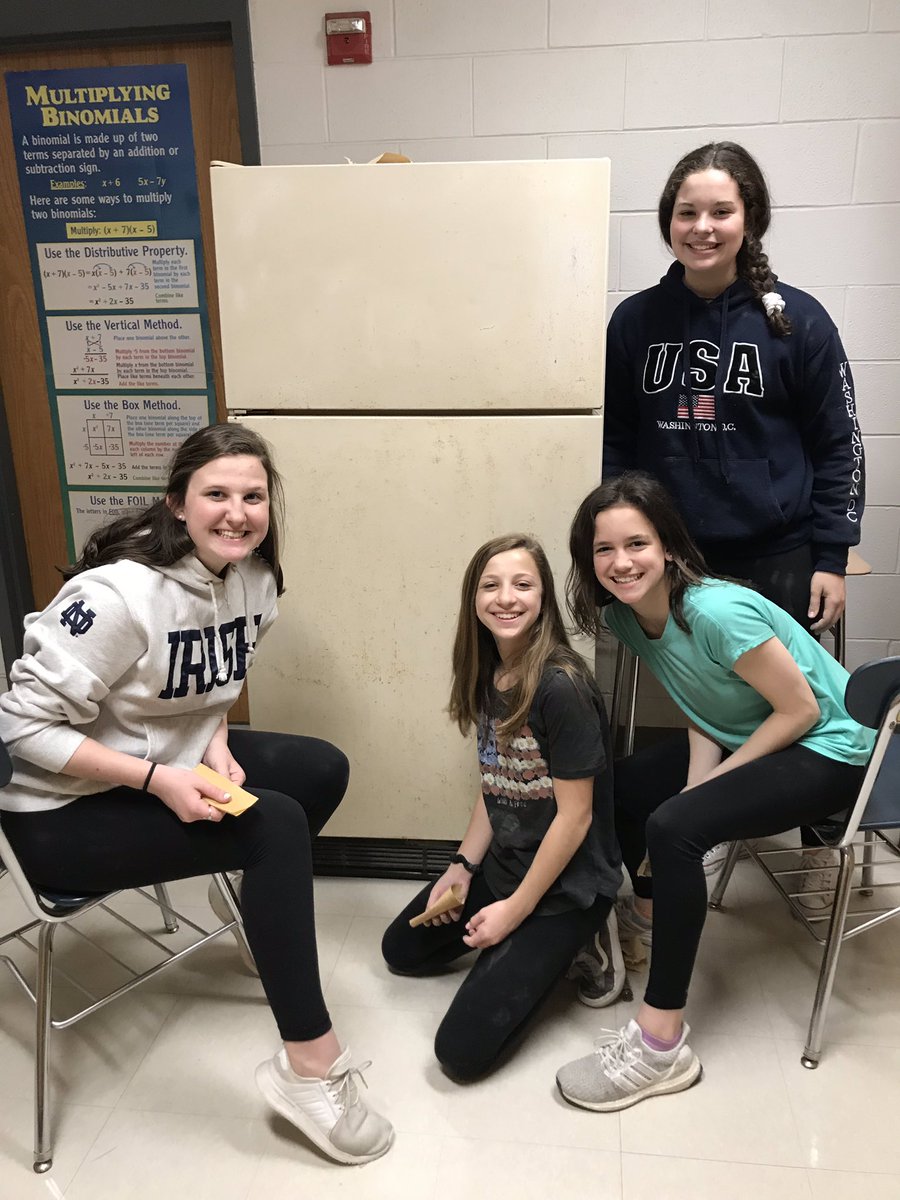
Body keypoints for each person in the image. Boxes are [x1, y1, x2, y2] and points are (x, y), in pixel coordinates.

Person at [0, 423, 393, 1165]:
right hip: (56, 812)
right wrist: (158, 779)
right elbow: (16, 728)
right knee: (274, 824)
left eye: (253, 496)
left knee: (321, 769)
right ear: (177, 503)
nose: (237, 512)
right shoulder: (117, 596)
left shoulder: (254, 580)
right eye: (216, 494)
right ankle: (309, 1068)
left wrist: (210, 743)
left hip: (161, 765)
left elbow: (214, 683)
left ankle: (248, 899)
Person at [554, 472, 874, 1112]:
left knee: (675, 828)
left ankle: (660, 1044)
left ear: (668, 544)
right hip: (761, 733)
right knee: (622, 786)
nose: (621, 562)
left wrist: (708, 792)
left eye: (637, 543)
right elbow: (702, 703)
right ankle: (645, 915)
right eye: (603, 549)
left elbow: (800, 711)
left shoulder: (715, 610)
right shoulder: (626, 612)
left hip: (835, 748)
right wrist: (699, 783)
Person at [602, 140, 865, 893]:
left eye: (722, 210)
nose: (703, 226)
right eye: (688, 212)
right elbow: (618, 441)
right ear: (669, 221)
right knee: (705, 694)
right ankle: (696, 830)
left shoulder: (797, 322)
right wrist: (619, 537)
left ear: (750, 219)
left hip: (777, 549)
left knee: (805, 696)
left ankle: (820, 845)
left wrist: (831, 555)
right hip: (675, 555)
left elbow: (839, 444)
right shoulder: (637, 322)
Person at [381, 534, 621, 1079]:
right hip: (505, 864)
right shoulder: (490, 671)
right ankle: (520, 931)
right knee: (400, 950)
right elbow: (498, 783)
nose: (506, 598)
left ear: (544, 598)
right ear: (473, 599)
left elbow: (575, 816)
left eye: (522, 584)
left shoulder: (561, 686)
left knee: (459, 1054)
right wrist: (462, 868)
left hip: (566, 886)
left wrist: (513, 914)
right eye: (491, 585)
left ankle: (585, 939)